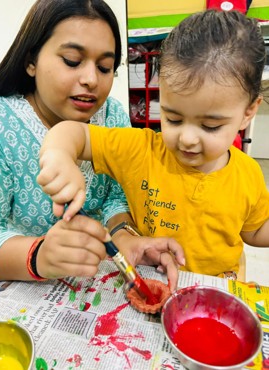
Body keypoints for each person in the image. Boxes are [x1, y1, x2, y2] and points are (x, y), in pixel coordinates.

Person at [38, 9, 269, 280]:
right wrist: (59, 155)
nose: (187, 138)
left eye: (210, 126)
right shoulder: (140, 149)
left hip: (214, 288)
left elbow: (254, 231)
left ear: (248, 112)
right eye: (173, 118)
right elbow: (75, 134)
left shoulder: (248, 174)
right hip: (149, 279)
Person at [0, 0, 184, 290]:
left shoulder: (113, 115)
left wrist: (124, 236)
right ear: (31, 61)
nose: (91, 80)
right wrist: (39, 256)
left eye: (105, 67)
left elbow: (115, 198)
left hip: (95, 281)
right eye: (72, 61)